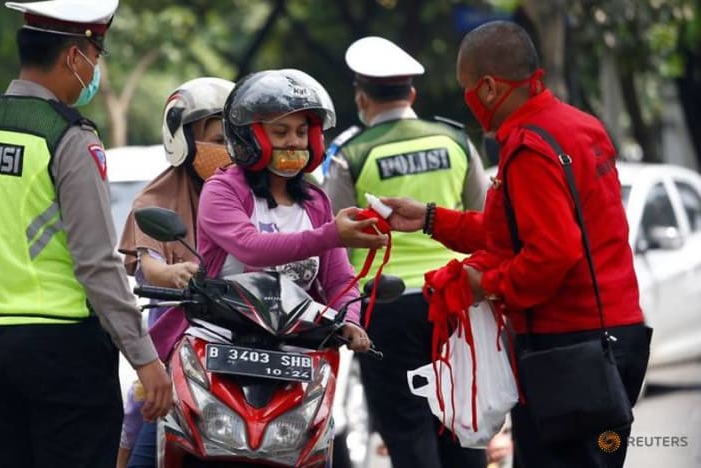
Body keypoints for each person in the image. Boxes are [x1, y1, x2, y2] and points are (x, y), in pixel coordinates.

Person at [383, 21, 650, 468]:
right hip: (616, 338)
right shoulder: (578, 125)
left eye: (467, 89)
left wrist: (485, 284)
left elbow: (553, 251)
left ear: (489, 87)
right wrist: (430, 219)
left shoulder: (529, 147)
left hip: (567, 350)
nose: (468, 101)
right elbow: (512, 230)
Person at [0, 1, 171, 466]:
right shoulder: (68, 137)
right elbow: (95, 263)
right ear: (73, 56)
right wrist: (145, 359)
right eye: (96, 55)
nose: (95, 70)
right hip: (62, 351)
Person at [322, 36, 488, 468]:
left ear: (361, 97)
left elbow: (333, 234)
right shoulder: (455, 140)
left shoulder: (351, 153)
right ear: (411, 94)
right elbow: (488, 220)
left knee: (406, 426)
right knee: (462, 418)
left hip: (386, 307)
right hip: (455, 300)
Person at [197, 68, 389, 353]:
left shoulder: (315, 201)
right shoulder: (222, 190)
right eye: (281, 132)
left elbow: (338, 278)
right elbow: (251, 248)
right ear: (250, 136)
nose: (295, 142)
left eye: (302, 132)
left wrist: (348, 319)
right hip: (223, 341)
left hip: (297, 347)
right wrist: (331, 235)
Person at [116, 76, 234, 468]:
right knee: (141, 408)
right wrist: (174, 274)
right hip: (175, 336)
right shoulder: (156, 198)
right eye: (217, 139)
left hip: (241, 337)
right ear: (182, 139)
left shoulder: (253, 192)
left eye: (234, 138)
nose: (227, 149)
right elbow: (148, 262)